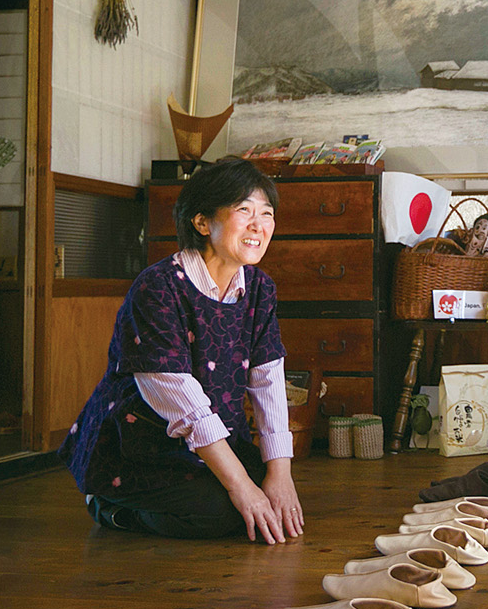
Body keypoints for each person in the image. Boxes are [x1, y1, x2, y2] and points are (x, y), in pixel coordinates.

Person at [60, 157, 305, 544]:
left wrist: (280, 475)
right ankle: (109, 506)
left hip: (210, 437)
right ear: (202, 222)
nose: (259, 225)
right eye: (244, 210)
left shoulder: (260, 288)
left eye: (267, 213)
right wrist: (241, 487)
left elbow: (268, 380)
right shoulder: (159, 287)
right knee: (222, 511)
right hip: (141, 442)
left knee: (268, 495)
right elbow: (184, 405)